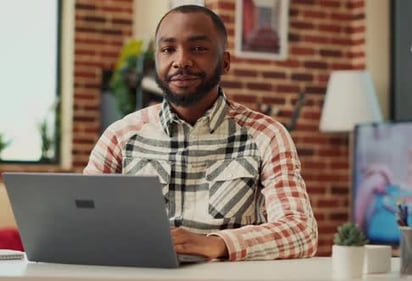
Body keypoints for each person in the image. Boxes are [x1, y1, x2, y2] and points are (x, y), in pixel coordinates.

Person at [84, 5, 318, 261]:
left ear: (225, 62)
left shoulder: (267, 136)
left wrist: (216, 244)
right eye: (167, 49)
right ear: (157, 61)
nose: (181, 61)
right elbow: (83, 221)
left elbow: (301, 231)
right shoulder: (119, 136)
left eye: (198, 48)